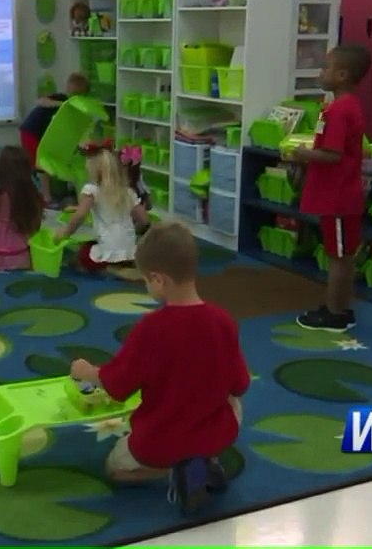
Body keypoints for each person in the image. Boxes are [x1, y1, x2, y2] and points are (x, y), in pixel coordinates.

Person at [68, 221, 250, 516]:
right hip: (218, 432)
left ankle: (177, 471)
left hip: (160, 442)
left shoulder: (151, 329)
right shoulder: (223, 320)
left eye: (146, 280)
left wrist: (87, 371)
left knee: (114, 469)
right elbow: (240, 384)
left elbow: (118, 383)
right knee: (233, 400)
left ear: (159, 279)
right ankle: (202, 462)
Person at [292, 45, 371, 333]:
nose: (321, 72)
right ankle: (338, 307)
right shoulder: (348, 105)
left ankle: (336, 313)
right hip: (341, 194)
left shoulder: (339, 110)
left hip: (338, 196)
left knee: (338, 257)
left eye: (326, 68)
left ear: (342, 74)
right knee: (342, 254)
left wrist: (303, 154)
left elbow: (334, 154)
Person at [55, 145, 149, 278]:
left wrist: (65, 232)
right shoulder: (127, 192)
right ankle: (123, 266)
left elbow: (80, 216)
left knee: (82, 253)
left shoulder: (91, 190)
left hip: (108, 248)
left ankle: (111, 270)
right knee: (113, 249)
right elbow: (144, 220)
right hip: (129, 249)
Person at [20, 72, 90, 204]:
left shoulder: (77, 107)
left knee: (45, 164)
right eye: (73, 93)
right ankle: (45, 198)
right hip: (31, 132)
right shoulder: (61, 99)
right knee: (41, 165)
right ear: (68, 89)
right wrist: (61, 105)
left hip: (42, 135)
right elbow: (41, 101)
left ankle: (46, 196)